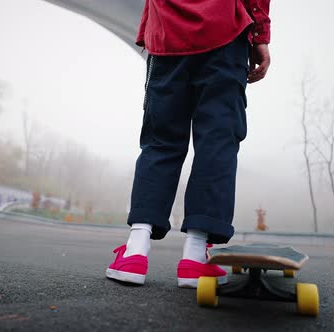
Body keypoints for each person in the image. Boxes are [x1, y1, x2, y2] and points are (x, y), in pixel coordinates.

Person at [107, 0, 272, 287]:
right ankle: (195, 258)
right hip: (225, 30)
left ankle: (135, 252)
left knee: (161, 141)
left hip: (167, 33)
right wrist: (260, 36)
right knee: (217, 141)